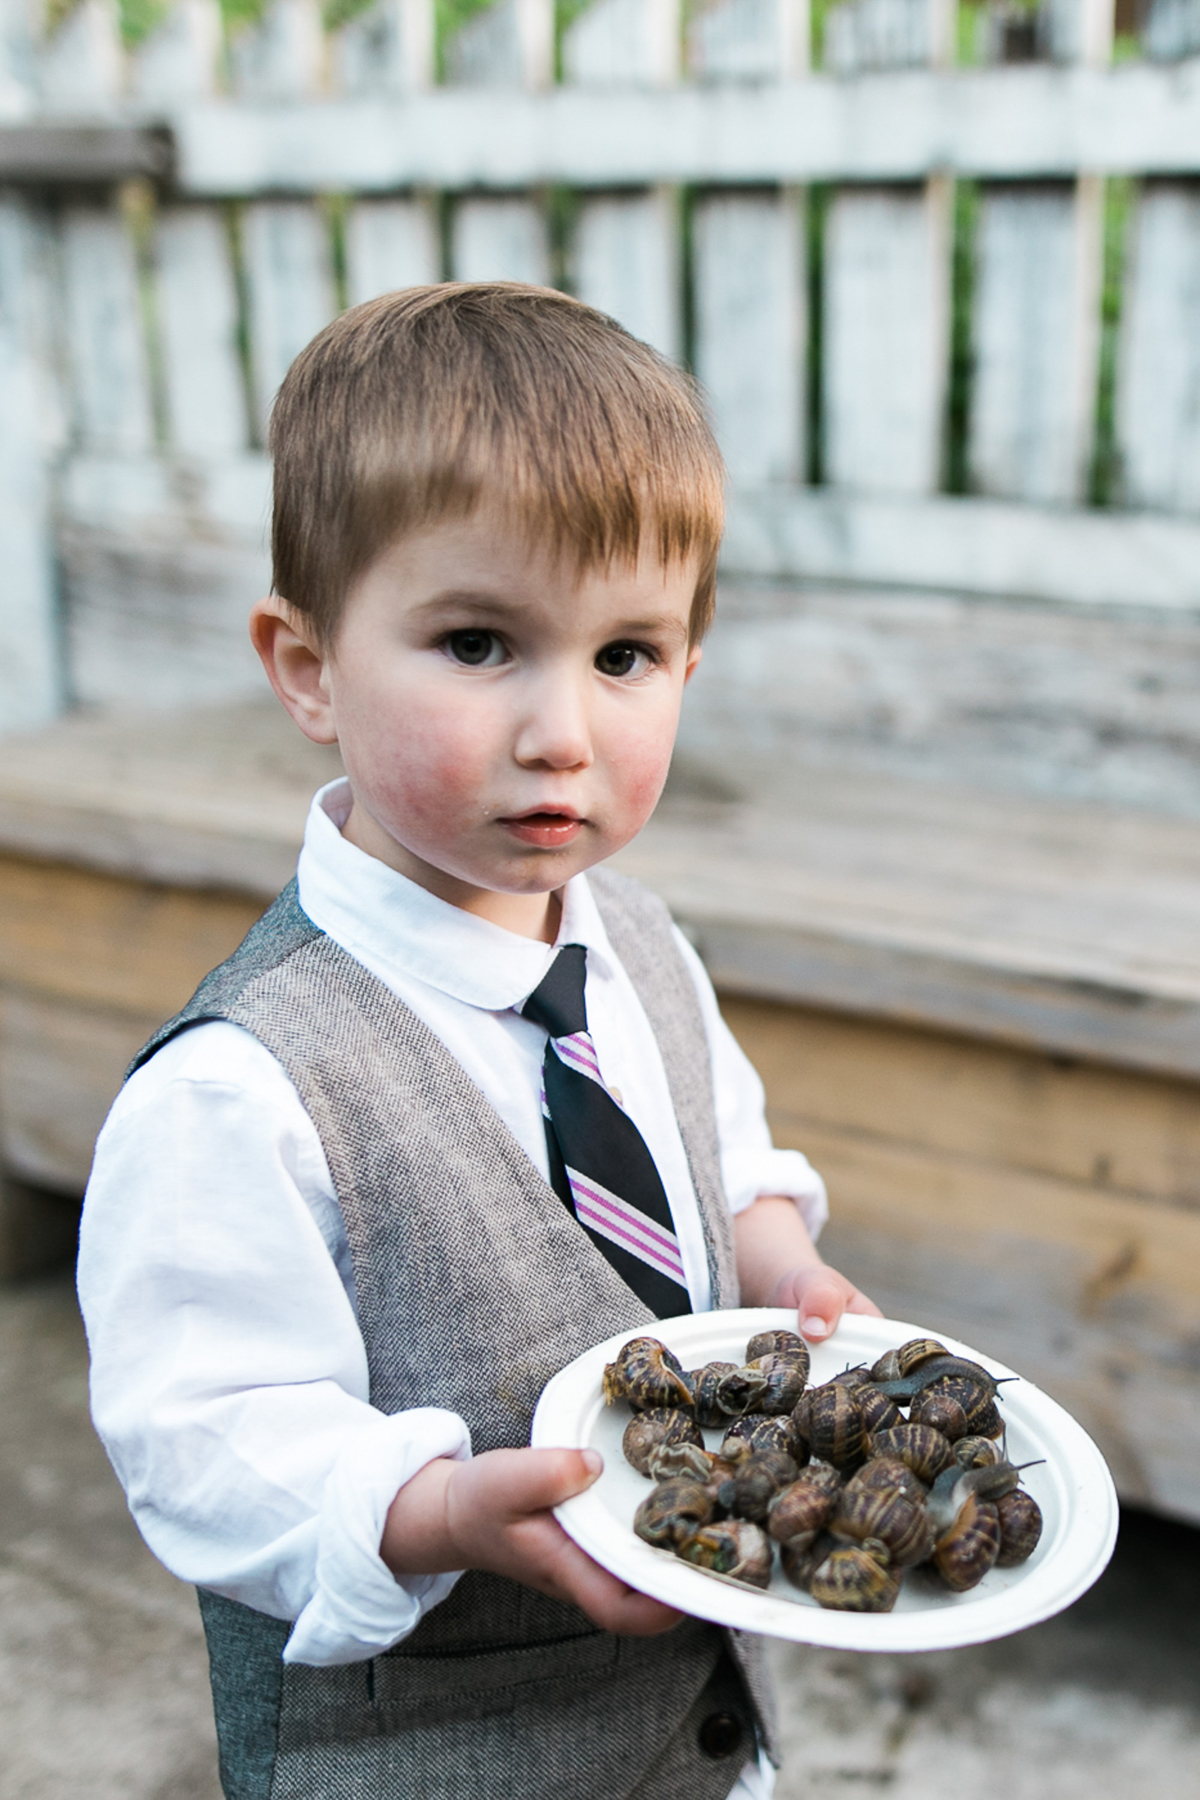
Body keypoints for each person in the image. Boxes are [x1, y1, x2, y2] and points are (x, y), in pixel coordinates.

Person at [78, 283, 880, 1800]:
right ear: (308, 667)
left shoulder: (641, 947)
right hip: (434, 1754)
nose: (562, 730)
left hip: (694, 1738)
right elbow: (203, 1439)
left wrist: (786, 1274)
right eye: (477, 642)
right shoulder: (243, 1089)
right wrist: (434, 1514)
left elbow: (727, 1162)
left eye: (626, 656)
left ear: (690, 666)